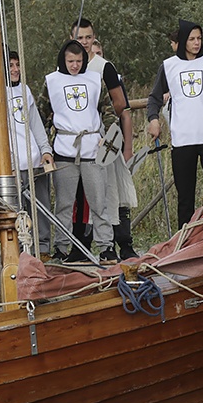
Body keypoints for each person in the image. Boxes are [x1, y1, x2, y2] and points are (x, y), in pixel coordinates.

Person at [147, 19, 203, 229]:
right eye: (192, 39)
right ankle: (185, 242)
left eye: (199, 38)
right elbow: (154, 98)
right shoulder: (169, 66)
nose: (196, 43)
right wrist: (154, 119)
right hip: (183, 139)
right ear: (183, 40)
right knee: (185, 197)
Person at [42, 40, 118, 264]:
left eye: (78, 61)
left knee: (98, 202)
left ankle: (106, 248)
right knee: (64, 204)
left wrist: (109, 136)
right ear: (63, 60)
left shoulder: (94, 80)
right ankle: (61, 248)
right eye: (70, 61)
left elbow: (108, 110)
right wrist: (44, 147)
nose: (75, 65)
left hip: (92, 148)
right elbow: (42, 114)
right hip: (65, 149)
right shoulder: (52, 81)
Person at [0, 50, 55, 260]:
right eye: (10, 65)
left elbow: (36, 124)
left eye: (17, 64)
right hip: (9, 164)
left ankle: (42, 249)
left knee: (40, 208)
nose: (16, 69)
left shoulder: (25, 90)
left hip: (32, 159)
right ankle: (16, 252)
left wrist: (45, 150)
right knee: (13, 210)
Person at [70, 19, 138, 260]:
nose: (84, 42)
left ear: (94, 37)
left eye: (88, 37)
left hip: (102, 141)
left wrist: (122, 144)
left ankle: (123, 243)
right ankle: (80, 245)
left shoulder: (103, 67)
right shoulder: (68, 67)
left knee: (112, 192)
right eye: (79, 38)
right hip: (76, 145)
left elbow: (121, 107)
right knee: (80, 195)